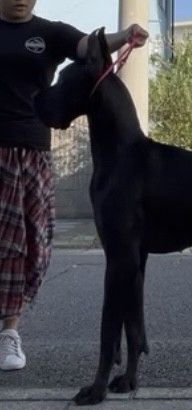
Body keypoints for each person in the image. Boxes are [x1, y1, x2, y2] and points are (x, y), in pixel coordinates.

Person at [0, 0, 148, 371]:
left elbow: (88, 46)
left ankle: (8, 334)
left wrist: (126, 35)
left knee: (29, 244)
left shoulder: (49, 33)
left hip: (33, 150)